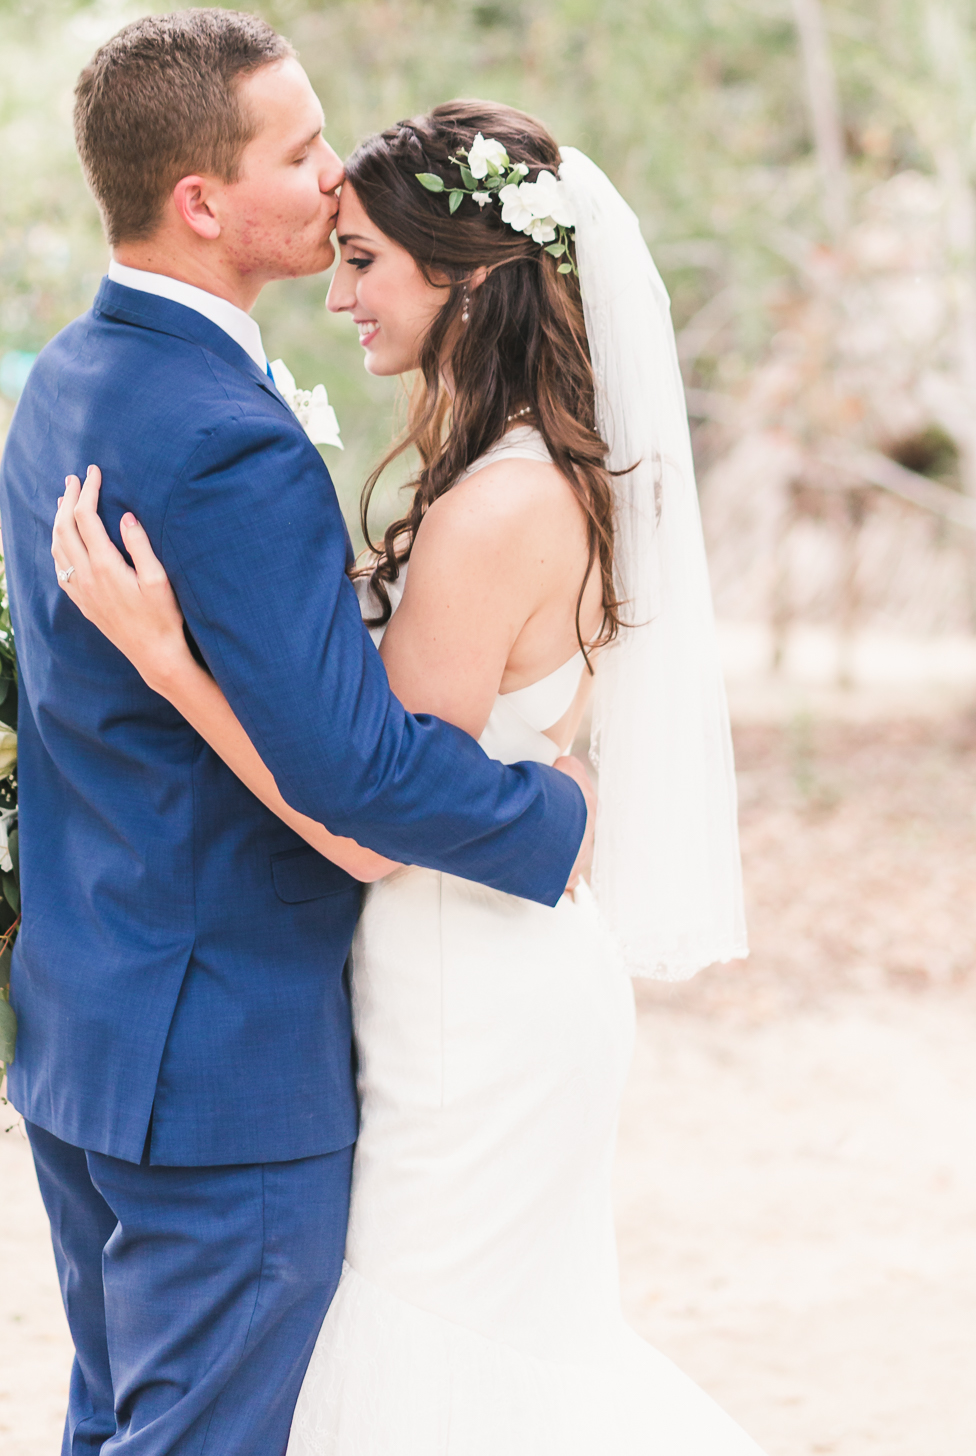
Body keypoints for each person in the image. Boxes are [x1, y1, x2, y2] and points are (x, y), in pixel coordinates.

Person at [54, 98, 764, 1452]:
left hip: (465, 1005)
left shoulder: (495, 505)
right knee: (480, 1358)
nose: (338, 294)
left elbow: (367, 828)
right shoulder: (542, 472)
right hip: (492, 969)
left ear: (473, 278)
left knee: (431, 1365)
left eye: (366, 259)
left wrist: (168, 664)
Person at [0, 14, 593, 1456]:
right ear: (202, 202)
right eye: (302, 149)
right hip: (219, 1062)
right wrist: (555, 816)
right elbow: (353, 775)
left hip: (91, 1019)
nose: (336, 180)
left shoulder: (70, 378)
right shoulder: (223, 429)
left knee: (121, 1419)